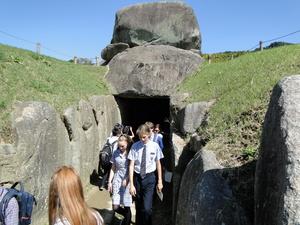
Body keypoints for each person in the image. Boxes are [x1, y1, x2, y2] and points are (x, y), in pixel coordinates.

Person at [128, 124, 164, 225]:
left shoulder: (155, 146)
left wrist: (160, 181)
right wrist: (131, 185)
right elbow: (131, 165)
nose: (142, 139)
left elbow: (158, 164)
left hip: (150, 178)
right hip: (137, 178)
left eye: (143, 137)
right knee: (139, 207)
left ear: (149, 134)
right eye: (140, 137)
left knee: (147, 208)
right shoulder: (135, 146)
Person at [108, 134, 133, 225]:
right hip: (117, 180)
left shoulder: (131, 153)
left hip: (128, 181)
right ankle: (126, 218)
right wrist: (109, 182)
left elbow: (132, 168)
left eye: (123, 146)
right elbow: (113, 168)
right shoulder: (116, 153)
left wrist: (127, 179)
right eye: (119, 146)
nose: (121, 148)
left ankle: (126, 222)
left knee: (127, 205)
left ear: (127, 143)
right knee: (115, 207)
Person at [98, 124, 122, 190]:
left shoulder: (108, 139)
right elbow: (115, 150)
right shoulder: (118, 140)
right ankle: (111, 185)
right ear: (119, 133)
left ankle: (102, 185)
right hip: (112, 158)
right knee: (113, 171)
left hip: (106, 158)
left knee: (105, 172)